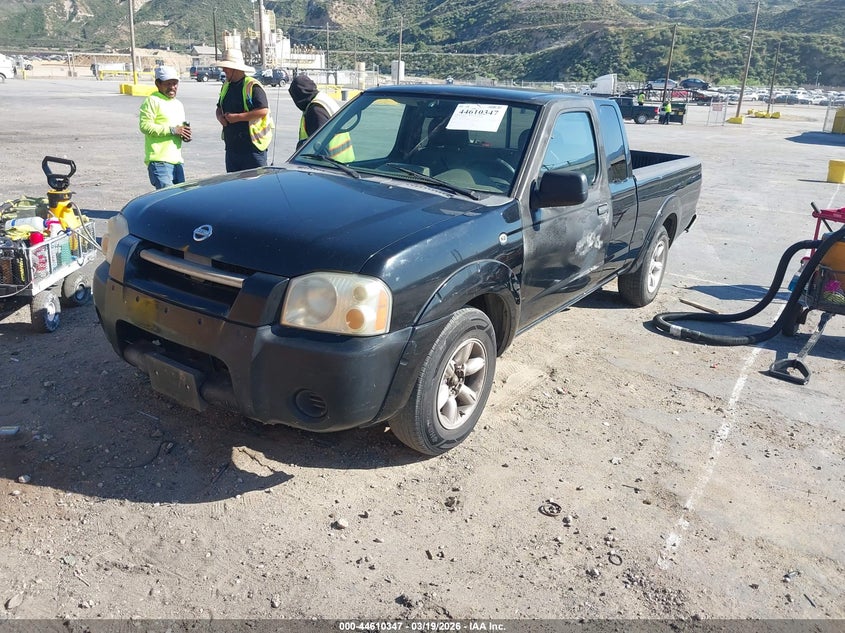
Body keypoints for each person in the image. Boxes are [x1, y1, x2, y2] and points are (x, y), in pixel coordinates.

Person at [215, 48, 274, 172]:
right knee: (234, 187)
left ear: (235, 68)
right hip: (232, 148)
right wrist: (220, 117)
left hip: (252, 149)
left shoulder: (252, 86)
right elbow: (218, 107)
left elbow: (263, 110)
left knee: (256, 187)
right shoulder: (226, 85)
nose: (223, 70)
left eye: (226, 67)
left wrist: (237, 117)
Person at [139, 66, 191, 189]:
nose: (172, 87)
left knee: (179, 198)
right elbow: (144, 126)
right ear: (158, 84)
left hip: (177, 160)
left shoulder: (178, 104)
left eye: (175, 83)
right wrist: (172, 130)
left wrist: (185, 135)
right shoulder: (152, 101)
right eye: (168, 84)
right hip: (159, 160)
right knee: (166, 197)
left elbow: (179, 129)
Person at [288, 74, 354, 161]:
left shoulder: (315, 110)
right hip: (343, 159)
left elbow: (319, 145)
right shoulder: (323, 99)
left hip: (331, 165)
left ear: (299, 96)